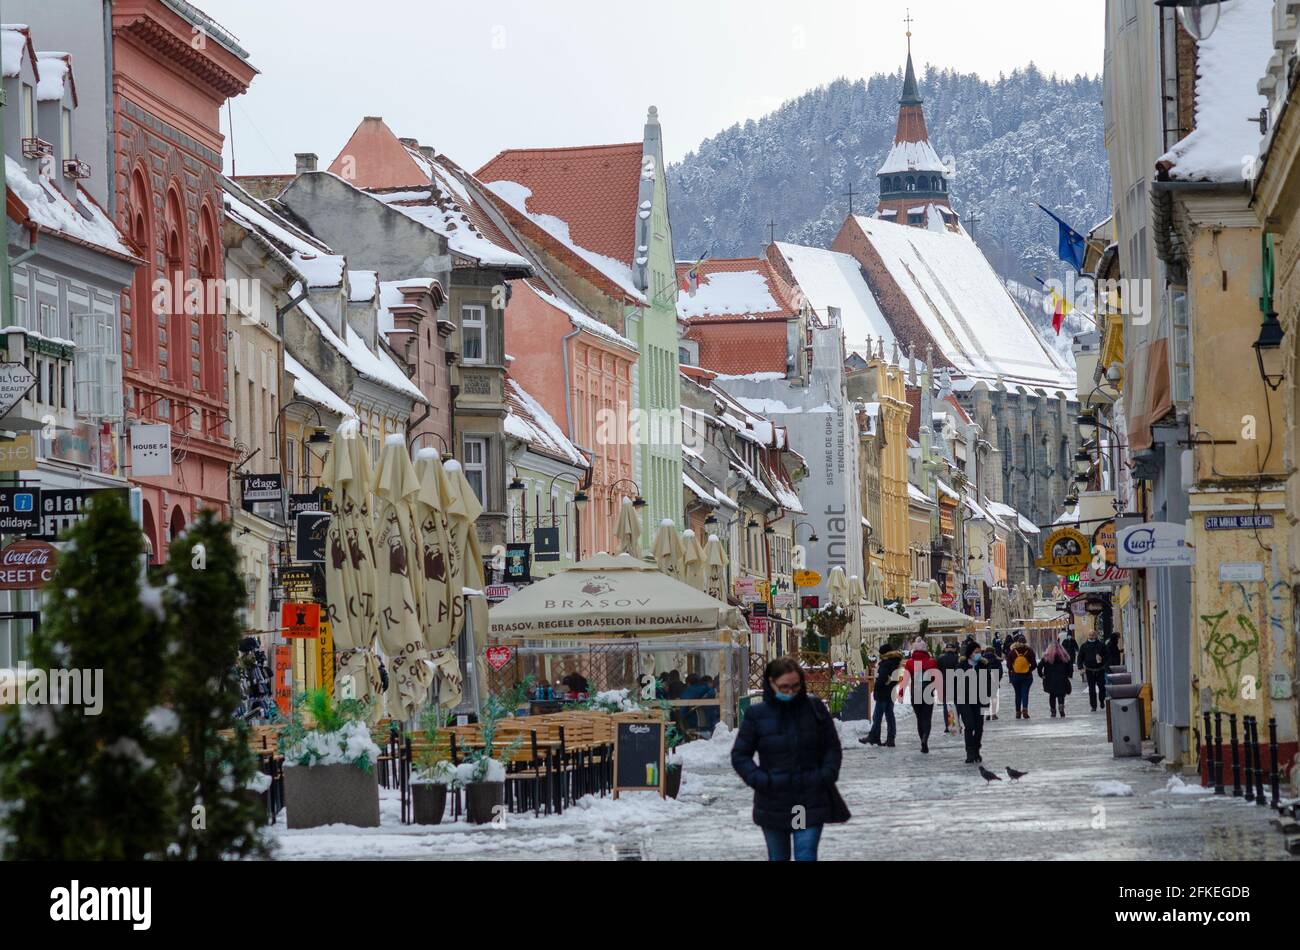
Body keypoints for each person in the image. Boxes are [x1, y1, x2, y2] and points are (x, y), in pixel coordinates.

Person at [731, 658, 846, 862]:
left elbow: (831, 747)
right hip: (773, 801)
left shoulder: (813, 709)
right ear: (771, 683)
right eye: (784, 687)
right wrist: (761, 780)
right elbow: (740, 755)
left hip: (804, 802)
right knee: (778, 857)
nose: (790, 692)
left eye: (795, 686)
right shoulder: (757, 715)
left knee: (805, 854)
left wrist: (825, 774)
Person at [897, 638, 940, 754]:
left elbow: (905, 680)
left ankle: (922, 738)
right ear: (925, 649)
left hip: (915, 693)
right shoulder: (931, 662)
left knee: (919, 718)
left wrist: (900, 693)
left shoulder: (910, 663)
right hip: (928, 692)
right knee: (927, 718)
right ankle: (925, 737)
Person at [955, 644, 992, 763]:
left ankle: (977, 750)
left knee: (979, 727)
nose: (978, 654)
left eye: (979, 652)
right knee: (969, 726)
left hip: (979, 700)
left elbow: (988, 684)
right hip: (964, 700)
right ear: (970, 653)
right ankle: (970, 752)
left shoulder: (983, 666)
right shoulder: (961, 666)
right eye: (976, 652)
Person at [861, 644, 903, 746]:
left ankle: (874, 737)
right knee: (890, 715)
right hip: (891, 692)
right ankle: (891, 738)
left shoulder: (886, 663)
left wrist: (878, 684)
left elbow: (882, 678)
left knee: (877, 716)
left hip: (883, 693)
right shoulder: (896, 662)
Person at [1037, 641, 1073, 717]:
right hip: (1062, 678)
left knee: (1052, 695)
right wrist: (1069, 675)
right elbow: (1070, 667)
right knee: (1061, 694)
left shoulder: (1047, 657)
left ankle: (1053, 711)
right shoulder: (1064, 656)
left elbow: (1039, 667)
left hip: (1050, 679)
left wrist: (1042, 675)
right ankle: (1061, 707)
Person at [1006, 635, 1038, 719]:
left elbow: (1008, 665)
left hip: (1015, 676)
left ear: (1017, 643)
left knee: (1018, 694)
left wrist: (1014, 669)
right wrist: (1028, 669)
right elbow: (1034, 664)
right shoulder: (1029, 651)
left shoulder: (1012, 652)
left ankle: (1017, 712)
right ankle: (1025, 710)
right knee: (1025, 693)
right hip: (1027, 677)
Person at [1077, 630, 1108, 711]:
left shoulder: (1101, 644)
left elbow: (1107, 655)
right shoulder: (1084, 646)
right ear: (1088, 636)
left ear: (1096, 635)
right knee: (1091, 689)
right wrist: (1080, 667)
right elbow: (1080, 657)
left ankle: (1101, 700)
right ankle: (1093, 706)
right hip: (1089, 670)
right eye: (1090, 635)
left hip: (1100, 669)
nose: (1091, 636)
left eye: (1093, 635)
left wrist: (1102, 658)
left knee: (1102, 687)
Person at [936, 641, 961, 734]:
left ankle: (949, 725)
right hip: (955, 683)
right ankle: (955, 724)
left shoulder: (940, 658)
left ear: (946, 649)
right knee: (957, 705)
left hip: (944, 683)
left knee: (947, 705)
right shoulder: (957, 658)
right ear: (954, 649)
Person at [982, 641, 1004, 721]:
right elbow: (1000, 671)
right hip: (994, 679)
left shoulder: (981, 659)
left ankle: (987, 713)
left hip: (984, 680)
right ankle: (994, 713)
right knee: (994, 697)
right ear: (994, 652)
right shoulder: (997, 659)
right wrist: (998, 679)